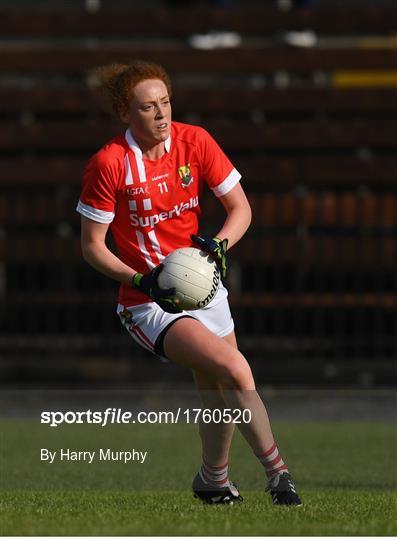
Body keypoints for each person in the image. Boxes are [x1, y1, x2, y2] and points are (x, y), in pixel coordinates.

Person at [76, 59, 302, 506]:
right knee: (235, 369)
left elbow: (241, 210)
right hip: (150, 302)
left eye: (165, 102)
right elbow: (92, 247)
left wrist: (217, 247)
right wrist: (143, 279)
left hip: (204, 284)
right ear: (125, 113)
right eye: (147, 107)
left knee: (214, 382)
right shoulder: (109, 163)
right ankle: (279, 474)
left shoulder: (194, 141)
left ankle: (214, 480)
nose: (160, 114)